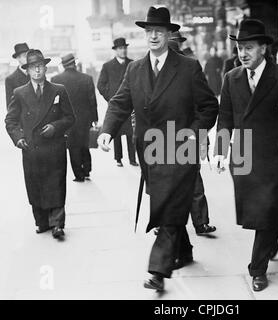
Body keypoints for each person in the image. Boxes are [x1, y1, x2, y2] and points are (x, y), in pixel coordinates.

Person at [97, 6, 218, 292]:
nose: (153, 36)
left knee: (166, 209)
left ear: (168, 34)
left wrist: (194, 134)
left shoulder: (188, 67)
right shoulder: (135, 69)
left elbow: (209, 106)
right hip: (150, 154)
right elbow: (119, 103)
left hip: (180, 152)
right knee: (170, 205)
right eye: (149, 31)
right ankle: (185, 250)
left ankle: (157, 270)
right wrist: (107, 132)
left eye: (159, 32)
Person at [214, 19, 278, 292]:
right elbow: (224, 119)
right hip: (245, 156)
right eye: (239, 48)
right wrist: (220, 152)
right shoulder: (232, 78)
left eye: (248, 47)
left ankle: (257, 269)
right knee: (264, 213)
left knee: (267, 209)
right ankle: (272, 238)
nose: (243, 53)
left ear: (263, 48)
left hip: (275, 156)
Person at [5, 49, 75, 239]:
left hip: (54, 147)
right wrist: (18, 138)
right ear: (27, 70)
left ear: (45, 67)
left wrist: (55, 126)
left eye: (40, 66)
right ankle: (42, 222)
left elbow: (70, 118)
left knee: (56, 184)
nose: (37, 70)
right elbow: (10, 121)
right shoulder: (19, 93)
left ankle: (58, 224)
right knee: (35, 186)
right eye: (33, 67)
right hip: (31, 148)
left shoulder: (58, 90)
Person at [166, 32, 217, 236]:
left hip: (186, 137)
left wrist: (196, 133)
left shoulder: (190, 69)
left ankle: (200, 222)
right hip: (160, 139)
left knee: (193, 182)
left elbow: (205, 105)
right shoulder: (149, 73)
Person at [52, 53, 98, 182]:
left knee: (73, 147)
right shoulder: (87, 78)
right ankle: (87, 170)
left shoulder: (56, 79)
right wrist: (94, 118)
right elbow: (92, 101)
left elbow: (55, 103)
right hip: (85, 118)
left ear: (63, 65)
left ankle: (79, 175)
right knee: (84, 144)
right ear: (75, 63)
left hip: (67, 120)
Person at [97, 37, 138, 167]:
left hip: (131, 105)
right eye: (120, 48)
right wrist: (111, 98)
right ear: (116, 50)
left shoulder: (133, 64)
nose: (123, 50)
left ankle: (132, 158)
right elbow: (100, 85)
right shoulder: (107, 66)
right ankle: (118, 158)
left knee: (131, 132)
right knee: (117, 132)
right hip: (117, 105)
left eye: (125, 48)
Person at [5, 43, 30, 109]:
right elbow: (10, 106)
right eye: (25, 56)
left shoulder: (37, 74)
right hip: (23, 118)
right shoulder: (10, 79)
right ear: (18, 58)